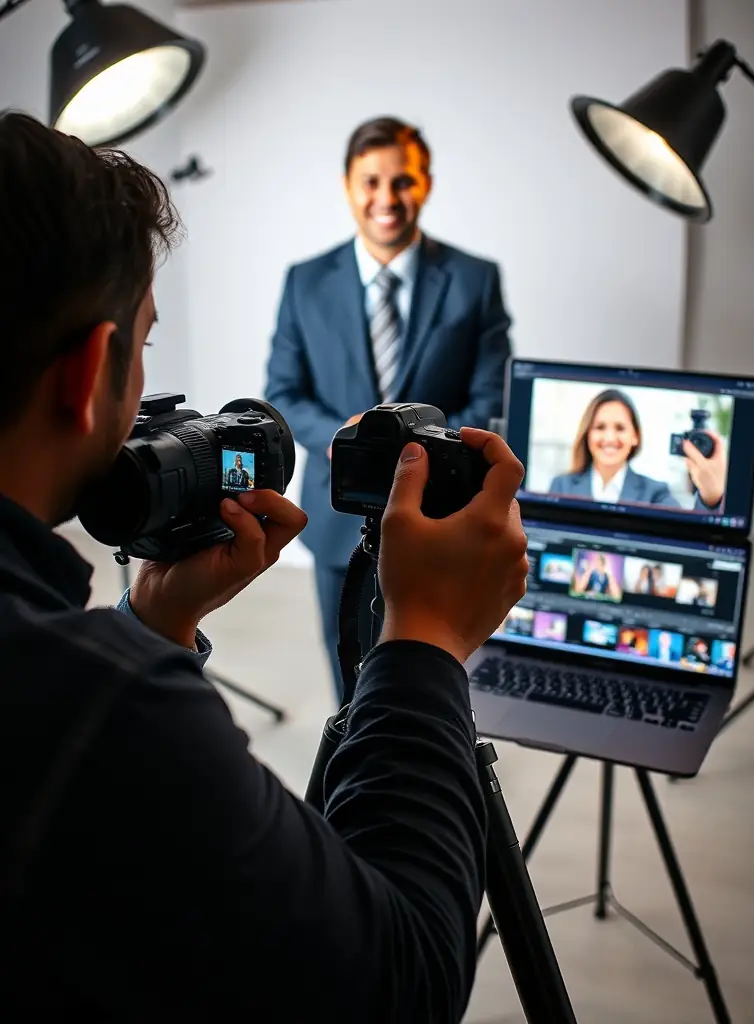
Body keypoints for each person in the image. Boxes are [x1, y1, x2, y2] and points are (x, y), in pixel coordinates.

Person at [0, 112, 529, 1018]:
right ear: (94, 367)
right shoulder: (104, 708)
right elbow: (399, 983)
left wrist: (147, 629)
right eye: (148, 342)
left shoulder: (67, 675)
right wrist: (430, 642)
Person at [265, 116, 513, 701]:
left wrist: (414, 450)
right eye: (370, 181)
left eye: (403, 181)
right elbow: (283, 393)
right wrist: (342, 438)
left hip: (439, 516)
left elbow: (489, 398)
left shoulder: (475, 280)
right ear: (347, 184)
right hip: (335, 519)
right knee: (349, 681)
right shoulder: (304, 281)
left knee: (430, 680)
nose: (386, 198)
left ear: (425, 183)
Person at [549, 389, 727, 510]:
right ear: (588, 434)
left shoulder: (655, 494)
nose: (610, 438)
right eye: (600, 427)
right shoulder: (561, 486)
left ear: (635, 436)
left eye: (620, 428)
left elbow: (691, 539)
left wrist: (710, 497)